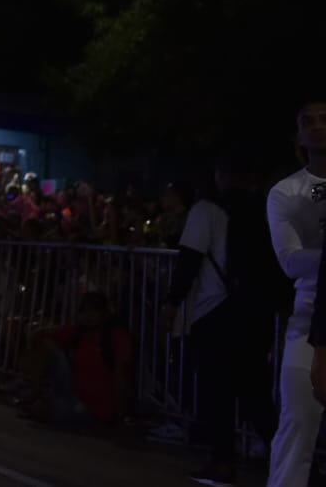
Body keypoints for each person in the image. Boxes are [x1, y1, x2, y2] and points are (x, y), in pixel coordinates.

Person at [161, 155, 282, 487]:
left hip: (215, 310)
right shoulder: (267, 210)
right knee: (256, 392)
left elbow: (190, 260)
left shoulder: (207, 209)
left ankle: (222, 463)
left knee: (218, 392)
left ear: (222, 175)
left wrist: (172, 302)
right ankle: (293, 459)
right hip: (255, 312)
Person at [268, 97, 326, 487]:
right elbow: (290, 260)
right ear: (299, 136)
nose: (318, 126)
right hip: (308, 321)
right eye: (310, 121)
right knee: (298, 424)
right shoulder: (286, 192)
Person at [20, 291, 133, 428]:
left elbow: (120, 376)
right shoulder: (80, 332)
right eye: (86, 310)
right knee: (46, 345)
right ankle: (35, 393)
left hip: (95, 409)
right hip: (73, 395)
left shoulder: (117, 337)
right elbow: (44, 336)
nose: (90, 315)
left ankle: (42, 402)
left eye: (94, 311)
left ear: (104, 314)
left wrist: (119, 416)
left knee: (48, 410)